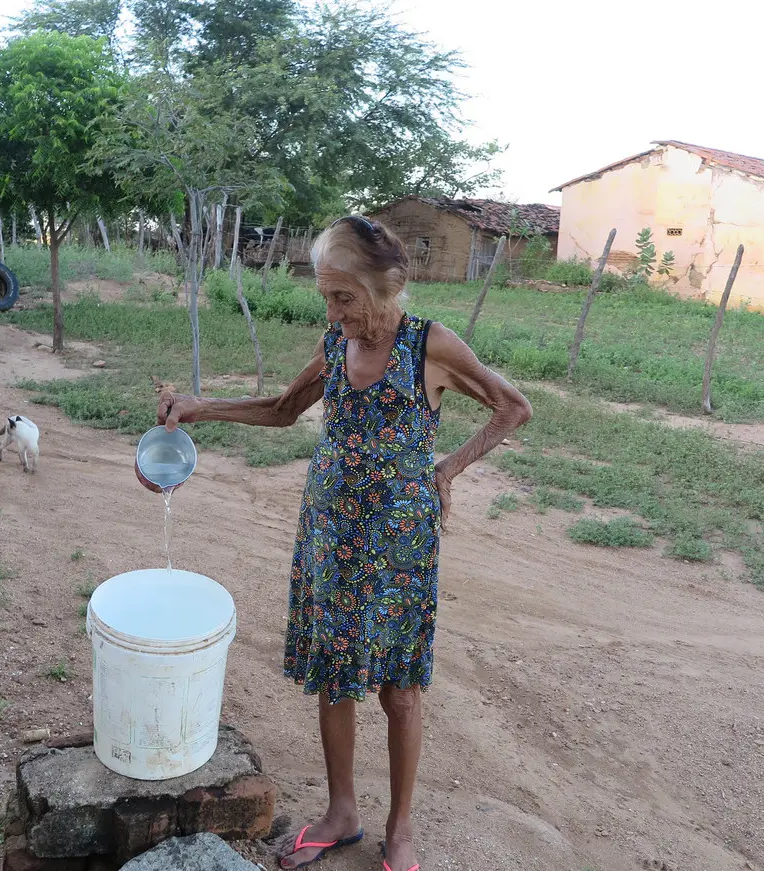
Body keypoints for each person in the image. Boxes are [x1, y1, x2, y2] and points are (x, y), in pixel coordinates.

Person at [147, 215, 532, 871]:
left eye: (344, 298)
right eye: (327, 296)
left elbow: (512, 407)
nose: (333, 312)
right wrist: (198, 407)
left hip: (399, 544)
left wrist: (447, 469)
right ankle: (341, 813)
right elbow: (282, 409)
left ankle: (400, 827)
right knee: (335, 676)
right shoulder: (336, 343)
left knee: (399, 690)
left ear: (388, 286)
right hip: (330, 533)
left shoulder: (430, 345)